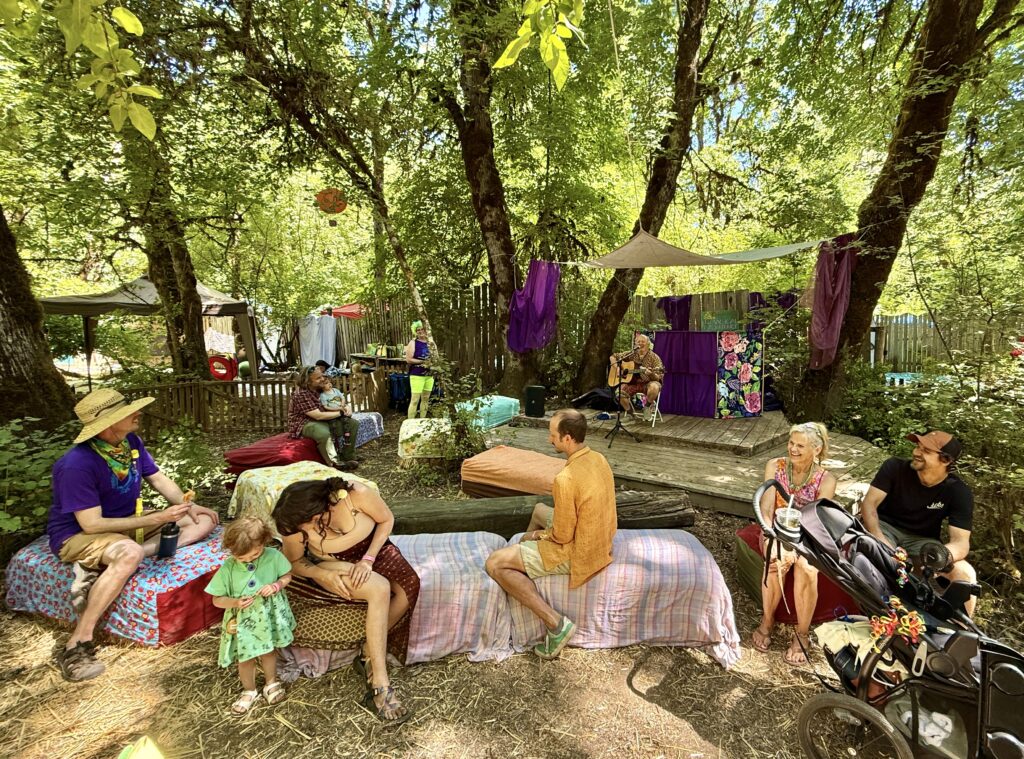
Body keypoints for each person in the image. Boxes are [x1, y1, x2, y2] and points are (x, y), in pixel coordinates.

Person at [46, 388, 220, 682]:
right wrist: (158, 518)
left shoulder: (130, 443)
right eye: (128, 412)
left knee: (203, 519)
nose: (137, 413)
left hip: (126, 524)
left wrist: (186, 505)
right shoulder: (76, 465)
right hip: (76, 535)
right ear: (108, 424)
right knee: (129, 552)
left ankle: (137, 553)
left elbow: (158, 479)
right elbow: (91, 525)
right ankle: (78, 642)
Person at [272, 477, 419, 724]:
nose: (301, 529)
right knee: (379, 588)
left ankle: (366, 652)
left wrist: (368, 559)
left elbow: (386, 520)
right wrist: (322, 574)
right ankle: (380, 683)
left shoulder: (356, 494)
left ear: (318, 511)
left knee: (410, 586)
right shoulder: (295, 524)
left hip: (373, 551)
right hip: (332, 563)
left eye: (306, 523)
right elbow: (294, 562)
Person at [485, 409, 616, 659]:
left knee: (495, 563)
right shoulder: (598, 459)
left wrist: (536, 537)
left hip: (579, 551)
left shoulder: (565, 479)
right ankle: (524, 560)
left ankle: (556, 624)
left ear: (567, 438)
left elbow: (562, 536)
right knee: (538, 510)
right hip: (599, 540)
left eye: (553, 435)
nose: (549, 440)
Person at [860, 430, 977, 615]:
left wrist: (940, 557)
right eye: (918, 446)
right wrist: (880, 540)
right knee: (882, 558)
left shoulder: (958, 491)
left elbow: (961, 542)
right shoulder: (895, 467)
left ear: (946, 460)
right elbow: (869, 505)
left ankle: (959, 629)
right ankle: (877, 616)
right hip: (885, 527)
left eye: (926, 451)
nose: (916, 452)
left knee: (966, 574)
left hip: (922, 541)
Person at [750, 422, 837, 665]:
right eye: (791, 443)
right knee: (776, 559)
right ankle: (767, 621)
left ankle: (802, 634)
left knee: (807, 568)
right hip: (776, 529)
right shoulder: (775, 466)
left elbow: (818, 520)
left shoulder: (826, 480)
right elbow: (767, 506)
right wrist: (770, 534)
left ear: (816, 450)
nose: (793, 449)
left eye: (800, 445)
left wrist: (799, 548)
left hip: (808, 535)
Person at [206, 517, 295, 715]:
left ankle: (271, 683)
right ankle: (249, 690)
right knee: (245, 657)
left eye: (254, 555)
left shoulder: (273, 556)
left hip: (267, 617)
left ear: (264, 542)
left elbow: (287, 575)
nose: (249, 560)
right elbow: (217, 599)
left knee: (268, 650)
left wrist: (276, 585)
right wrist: (235, 603)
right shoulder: (228, 568)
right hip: (243, 621)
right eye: (242, 559)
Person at [287, 365, 360, 471]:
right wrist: (341, 412)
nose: (322, 379)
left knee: (353, 424)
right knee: (323, 433)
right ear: (308, 382)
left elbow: (336, 400)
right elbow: (318, 416)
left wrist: (346, 407)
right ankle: (334, 462)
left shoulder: (319, 388)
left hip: (323, 418)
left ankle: (348, 456)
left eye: (322, 376)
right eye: (318, 378)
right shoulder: (301, 394)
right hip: (304, 422)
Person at [609, 333, 664, 421]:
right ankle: (630, 414)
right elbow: (613, 357)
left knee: (654, 387)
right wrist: (618, 368)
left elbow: (658, 377)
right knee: (619, 393)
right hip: (632, 383)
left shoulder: (654, 357)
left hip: (648, 383)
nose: (640, 343)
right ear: (635, 344)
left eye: (643, 341)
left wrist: (651, 374)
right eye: (638, 342)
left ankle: (647, 407)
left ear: (648, 344)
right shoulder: (632, 354)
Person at [318, 376, 356, 456]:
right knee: (333, 424)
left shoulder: (336, 390)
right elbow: (326, 407)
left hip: (341, 411)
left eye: (330, 382)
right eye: (326, 383)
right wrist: (337, 409)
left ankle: (347, 437)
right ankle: (334, 440)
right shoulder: (323, 395)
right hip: (332, 413)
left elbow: (342, 398)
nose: (329, 384)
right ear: (321, 386)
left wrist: (342, 405)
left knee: (346, 421)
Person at [404, 320, 433, 419]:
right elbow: (408, 359)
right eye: (418, 330)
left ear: (426, 330)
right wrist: (423, 362)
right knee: (415, 400)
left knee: (425, 399)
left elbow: (436, 357)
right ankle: (410, 424)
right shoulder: (413, 343)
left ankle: (422, 421)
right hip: (416, 375)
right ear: (415, 331)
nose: (420, 331)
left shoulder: (431, 343)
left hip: (429, 375)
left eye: (422, 329)